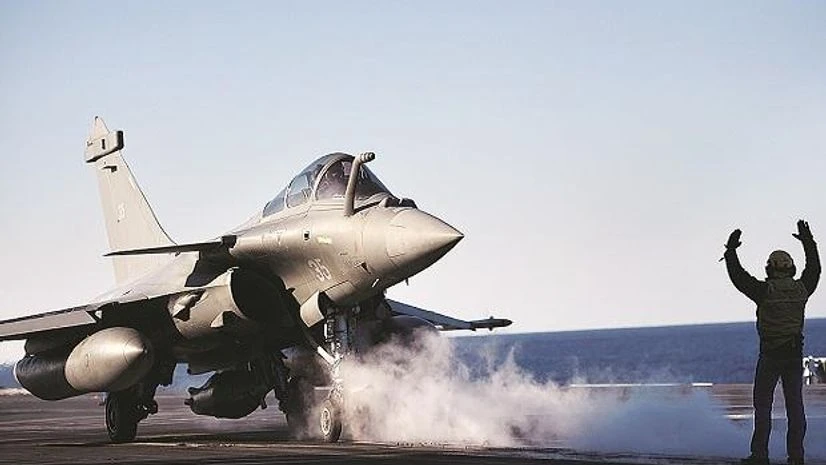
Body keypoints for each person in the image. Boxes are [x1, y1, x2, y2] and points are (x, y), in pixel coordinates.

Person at [724, 220, 821, 465]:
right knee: (795, 409)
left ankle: (760, 456)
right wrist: (808, 242)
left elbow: (739, 278)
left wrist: (731, 251)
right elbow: (815, 269)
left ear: (770, 269)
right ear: (791, 268)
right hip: (793, 355)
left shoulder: (763, 290)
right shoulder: (802, 289)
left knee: (763, 407)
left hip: (770, 356)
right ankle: (796, 456)